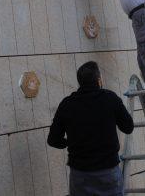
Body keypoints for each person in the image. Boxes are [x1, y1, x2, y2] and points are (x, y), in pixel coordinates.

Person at [47, 61, 134, 196]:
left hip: (80, 175)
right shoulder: (110, 98)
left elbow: (53, 140)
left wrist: (70, 143)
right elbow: (128, 127)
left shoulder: (67, 104)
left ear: (80, 82)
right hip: (108, 172)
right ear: (98, 80)